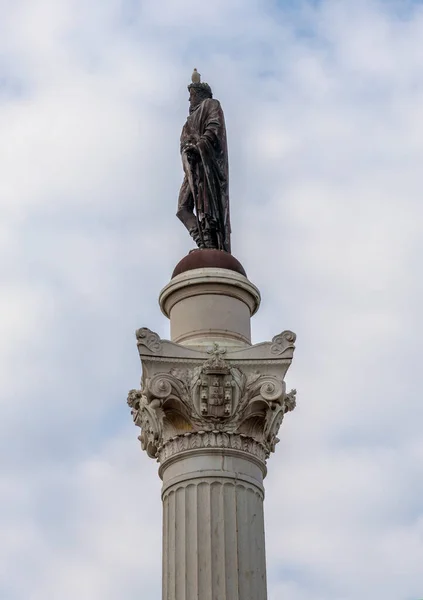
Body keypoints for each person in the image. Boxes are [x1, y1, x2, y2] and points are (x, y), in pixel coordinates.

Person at [177, 72, 231, 252]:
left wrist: (199, 145)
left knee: (206, 205)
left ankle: (209, 243)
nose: (189, 101)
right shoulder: (188, 121)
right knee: (183, 208)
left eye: (191, 96)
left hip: (206, 164)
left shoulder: (210, 105)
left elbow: (214, 128)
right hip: (192, 166)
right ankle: (202, 240)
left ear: (199, 95)